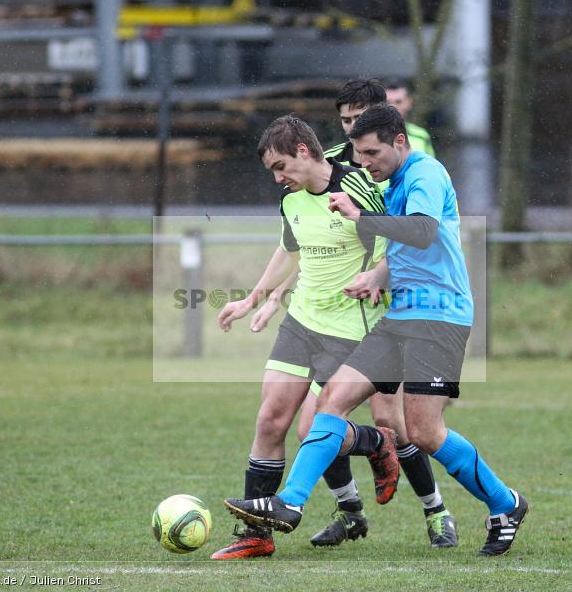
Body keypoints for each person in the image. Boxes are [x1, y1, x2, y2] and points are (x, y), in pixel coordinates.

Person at [225, 105, 528, 557]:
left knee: (424, 432)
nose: (365, 162)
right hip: (397, 316)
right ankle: (289, 503)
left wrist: (358, 218)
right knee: (333, 401)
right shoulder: (388, 181)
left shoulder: (425, 173)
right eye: (360, 153)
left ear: (400, 143)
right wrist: (375, 276)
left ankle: (506, 505)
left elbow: (423, 232)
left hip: (439, 315)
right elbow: (383, 246)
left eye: (372, 153)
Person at [248, 78, 459, 550]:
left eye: (358, 121)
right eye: (344, 121)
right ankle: (350, 512)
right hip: (325, 316)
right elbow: (314, 249)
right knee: (316, 424)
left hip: (384, 315)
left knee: (396, 424)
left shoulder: (395, 166)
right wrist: (271, 296)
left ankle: (436, 511)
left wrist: (381, 276)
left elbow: (406, 233)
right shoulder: (331, 166)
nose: (349, 131)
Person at [209, 115, 401, 559]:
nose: (278, 178)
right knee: (270, 419)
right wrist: (253, 300)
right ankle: (256, 533)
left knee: (312, 427)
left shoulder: (358, 185)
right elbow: (289, 249)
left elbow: (398, 241)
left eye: (280, 167)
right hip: (302, 322)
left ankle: (376, 442)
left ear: (301, 151)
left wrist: (378, 276)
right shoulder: (291, 201)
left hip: (352, 327)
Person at [384, 77, 436, 157]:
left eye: (398, 102)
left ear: (409, 103)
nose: (392, 107)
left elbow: (432, 167)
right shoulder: (368, 136)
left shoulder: (421, 136)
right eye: (388, 102)